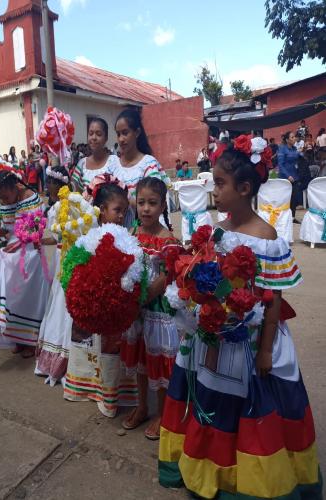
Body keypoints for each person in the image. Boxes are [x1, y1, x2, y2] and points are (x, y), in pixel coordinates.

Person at [158, 147, 322, 499]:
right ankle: (210, 467)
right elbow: (205, 278)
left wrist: (265, 350)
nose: (214, 191)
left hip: (252, 339)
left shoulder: (267, 238)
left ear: (244, 188)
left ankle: (249, 481)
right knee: (212, 398)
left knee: (252, 406)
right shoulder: (215, 231)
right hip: (215, 335)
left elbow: (273, 298)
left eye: (220, 183)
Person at [64, 178, 139, 417]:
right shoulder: (90, 237)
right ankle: (91, 388)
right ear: (101, 210)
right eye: (117, 210)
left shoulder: (126, 236)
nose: (121, 216)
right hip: (94, 304)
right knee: (93, 347)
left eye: (124, 211)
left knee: (112, 349)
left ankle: (111, 396)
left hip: (115, 306)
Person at [120, 177, 180, 439]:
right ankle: (142, 405)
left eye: (152, 203)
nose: (145, 209)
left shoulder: (168, 240)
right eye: (141, 202)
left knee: (158, 361)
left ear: (163, 205)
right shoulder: (131, 234)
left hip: (156, 310)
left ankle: (162, 413)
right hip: (135, 310)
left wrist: (144, 296)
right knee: (140, 359)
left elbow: (167, 276)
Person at [0, 170, 50, 358]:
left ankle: (31, 340)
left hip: (31, 252)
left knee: (26, 297)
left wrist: (18, 244)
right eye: (1, 197)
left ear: (15, 187)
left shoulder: (31, 198)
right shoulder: (3, 203)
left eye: (7, 196)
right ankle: (16, 337)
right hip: (11, 251)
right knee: (5, 289)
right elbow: (6, 228)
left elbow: (36, 229)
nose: (5, 200)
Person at [35, 166, 72, 385]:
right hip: (60, 254)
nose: (47, 186)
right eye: (47, 182)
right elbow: (54, 238)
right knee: (56, 302)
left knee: (63, 303)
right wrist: (36, 238)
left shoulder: (67, 206)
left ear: (60, 185)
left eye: (51, 182)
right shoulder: (54, 207)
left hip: (67, 256)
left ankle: (65, 355)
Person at [109, 108, 170, 228]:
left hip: (144, 230)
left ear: (137, 132)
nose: (121, 139)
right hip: (117, 232)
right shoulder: (112, 167)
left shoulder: (148, 164)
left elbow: (154, 202)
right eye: (118, 134)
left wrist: (124, 201)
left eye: (125, 133)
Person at [71, 117, 119, 192]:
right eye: (90, 134)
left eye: (99, 134)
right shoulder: (82, 163)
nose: (94, 137)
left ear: (106, 138)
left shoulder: (114, 162)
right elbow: (76, 190)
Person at [278, 131, 302, 223]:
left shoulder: (294, 148)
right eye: (292, 137)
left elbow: (298, 157)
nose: (294, 139)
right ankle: (284, 218)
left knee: (294, 197)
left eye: (294, 137)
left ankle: (292, 217)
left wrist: (301, 153)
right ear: (287, 140)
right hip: (285, 177)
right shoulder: (282, 149)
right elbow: (280, 164)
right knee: (285, 198)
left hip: (295, 176)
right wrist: (287, 175)